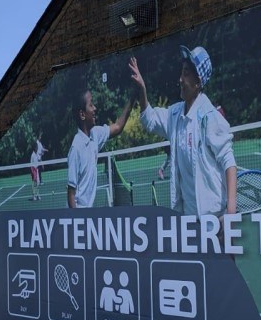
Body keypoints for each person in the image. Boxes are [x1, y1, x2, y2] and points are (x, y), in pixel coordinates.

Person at [128, 46, 237, 217]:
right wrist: (142, 88)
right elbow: (149, 119)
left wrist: (230, 213)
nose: (180, 79)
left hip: (216, 218)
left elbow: (229, 162)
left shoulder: (210, 117)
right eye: (181, 72)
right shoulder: (175, 114)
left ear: (198, 82)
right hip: (187, 220)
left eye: (186, 73)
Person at [67, 90, 133, 208]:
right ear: (82, 114)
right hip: (78, 215)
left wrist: (133, 97)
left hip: (88, 213)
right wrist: (76, 222)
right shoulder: (76, 148)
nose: (95, 108)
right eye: (91, 105)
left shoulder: (95, 134)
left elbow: (118, 127)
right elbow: (71, 194)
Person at [29, 134, 47, 201]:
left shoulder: (36, 154)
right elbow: (31, 165)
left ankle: (38, 195)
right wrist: (32, 172)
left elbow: (39, 159)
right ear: (34, 148)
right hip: (33, 170)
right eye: (36, 147)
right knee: (34, 184)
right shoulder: (32, 155)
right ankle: (34, 196)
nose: (37, 148)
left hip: (37, 170)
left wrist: (42, 164)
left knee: (38, 183)